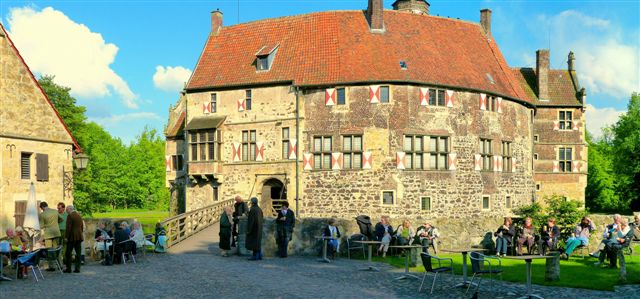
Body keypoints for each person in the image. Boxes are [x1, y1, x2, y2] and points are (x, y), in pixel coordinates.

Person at [38, 201, 62, 271]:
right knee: (57, 249)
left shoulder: (42, 214)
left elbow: (41, 226)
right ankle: (60, 265)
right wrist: (55, 224)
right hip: (56, 232)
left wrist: (46, 225)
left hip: (48, 233)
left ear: (42, 207)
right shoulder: (55, 211)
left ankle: (52, 266)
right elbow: (61, 219)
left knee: (49, 250)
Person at [64, 205, 83, 273]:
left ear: (69, 209)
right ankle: (77, 268)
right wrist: (80, 234)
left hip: (72, 237)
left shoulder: (70, 216)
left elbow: (68, 228)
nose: (66, 211)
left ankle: (68, 268)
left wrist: (66, 237)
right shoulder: (78, 215)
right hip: (79, 236)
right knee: (78, 253)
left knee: (68, 253)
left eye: (67, 210)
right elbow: (81, 226)